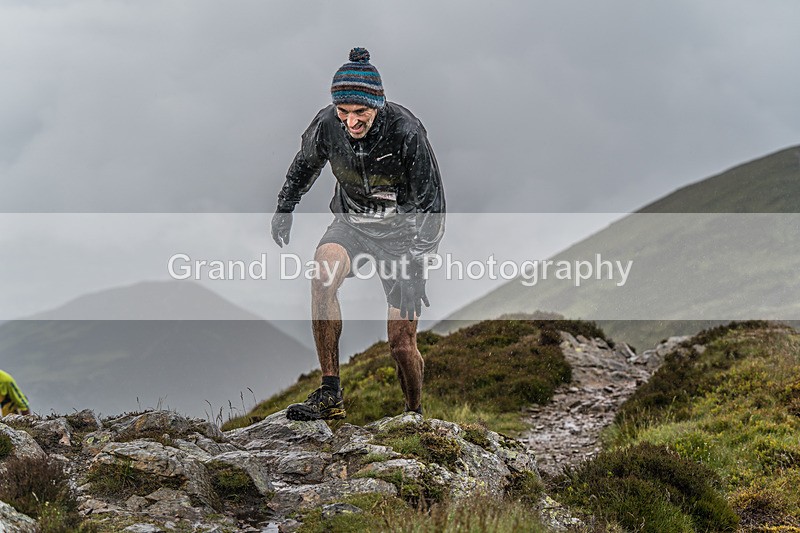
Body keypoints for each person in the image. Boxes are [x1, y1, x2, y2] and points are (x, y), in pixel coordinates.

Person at [271, 47, 445, 421]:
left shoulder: (406, 131)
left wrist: (417, 264)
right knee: (322, 275)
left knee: (401, 345)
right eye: (344, 112)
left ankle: (413, 412)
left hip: (402, 238)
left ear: (377, 105)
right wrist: (286, 205)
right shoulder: (326, 125)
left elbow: (432, 205)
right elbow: (305, 165)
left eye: (360, 112)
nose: (351, 121)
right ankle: (331, 392)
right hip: (351, 224)